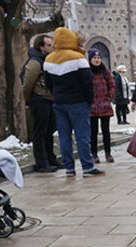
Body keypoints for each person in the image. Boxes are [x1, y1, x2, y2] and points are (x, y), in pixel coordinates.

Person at [44, 27, 104, 177]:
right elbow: (87, 83)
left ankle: (69, 168)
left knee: (64, 136)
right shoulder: (78, 58)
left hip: (59, 103)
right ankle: (87, 167)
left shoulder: (48, 59)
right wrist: (88, 101)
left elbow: (48, 84)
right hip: (78, 102)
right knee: (82, 136)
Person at [21, 33, 59, 173]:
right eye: (48, 45)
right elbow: (27, 84)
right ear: (41, 47)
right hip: (39, 99)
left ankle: (51, 160)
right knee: (40, 132)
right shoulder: (35, 62)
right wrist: (26, 100)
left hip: (49, 99)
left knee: (49, 131)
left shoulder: (46, 60)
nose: (51, 47)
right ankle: (42, 163)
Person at [87, 49, 116, 164]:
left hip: (104, 105)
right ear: (90, 59)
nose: (97, 60)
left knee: (106, 131)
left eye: (98, 58)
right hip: (92, 106)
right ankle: (94, 154)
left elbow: (112, 85)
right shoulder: (87, 72)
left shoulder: (105, 71)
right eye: (94, 58)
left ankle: (108, 153)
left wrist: (109, 98)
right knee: (93, 132)